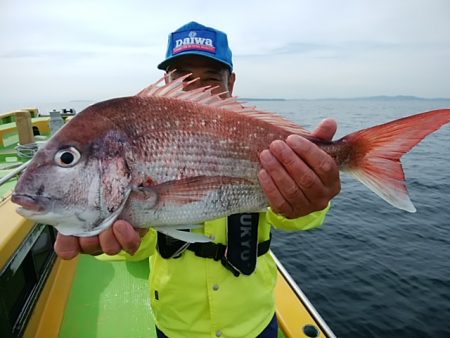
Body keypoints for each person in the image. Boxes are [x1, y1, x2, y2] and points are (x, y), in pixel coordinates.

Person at [54, 22, 340, 338]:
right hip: (177, 323)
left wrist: (312, 198)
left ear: (231, 82)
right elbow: (139, 244)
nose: (197, 91)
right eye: (183, 79)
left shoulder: (259, 135)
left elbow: (296, 220)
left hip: (252, 320)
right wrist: (119, 234)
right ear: (166, 81)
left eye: (211, 80)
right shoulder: (138, 137)